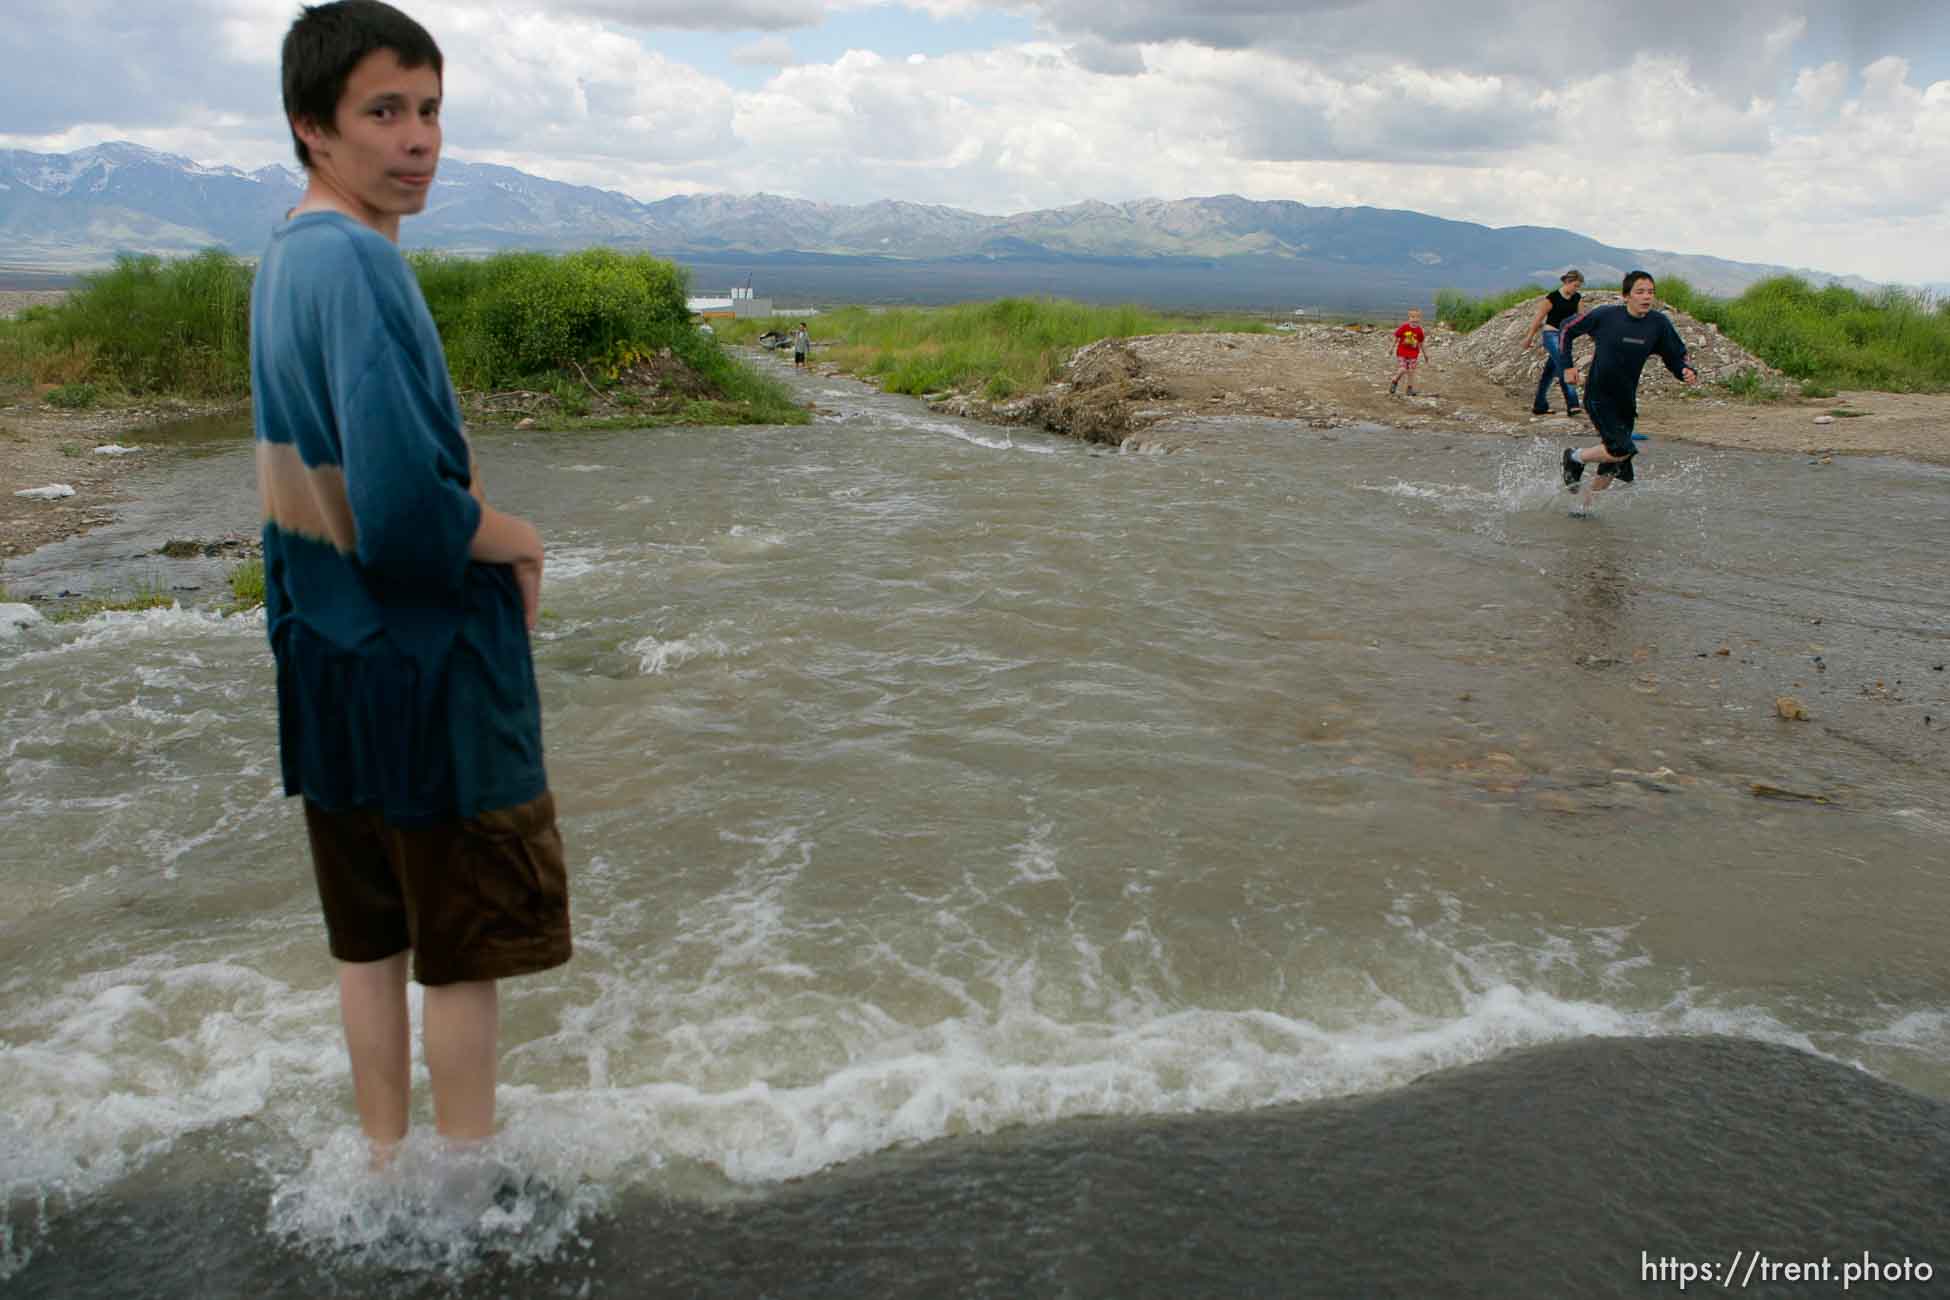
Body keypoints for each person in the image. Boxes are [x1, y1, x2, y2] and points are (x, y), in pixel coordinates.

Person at [253, 0, 571, 1168]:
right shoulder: (363, 267)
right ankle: (463, 1195)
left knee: (368, 941)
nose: (418, 139)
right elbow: (400, 515)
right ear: (313, 129)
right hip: (427, 662)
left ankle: (384, 1168)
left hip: (325, 658)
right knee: (466, 945)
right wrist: (516, 536)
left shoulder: (286, 254)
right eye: (383, 111)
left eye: (430, 110)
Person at [1558, 269, 1698, 511]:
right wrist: (1568, 367)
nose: (1646, 297)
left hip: (1626, 399)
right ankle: (1574, 457)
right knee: (1620, 449)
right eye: (1640, 292)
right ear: (1626, 296)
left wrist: (1684, 370)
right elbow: (1567, 330)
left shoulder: (1658, 324)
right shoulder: (1605, 316)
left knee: (1614, 462)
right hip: (1599, 395)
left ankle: (1583, 508)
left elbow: (1674, 355)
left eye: (1651, 292)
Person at [1522, 269, 1584, 416]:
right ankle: (1573, 404)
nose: (1576, 289)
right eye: (1575, 285)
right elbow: (1538, 319)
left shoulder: (1577, 298)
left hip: (1565, 337)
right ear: (1567, 282)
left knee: (1549, 373)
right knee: (1565, 365)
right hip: (1551, 334)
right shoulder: (1552, 298)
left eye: (1578, 286)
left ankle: (1540, 406)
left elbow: (1583, 318)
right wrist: (1529, 337)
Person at [1388, 308, 1426, 396]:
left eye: (1417, 317)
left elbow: (1421, 343)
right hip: (1402, 352)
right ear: (1409, 318)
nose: (1415, 319)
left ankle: (1409, 389)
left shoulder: (1419, 330)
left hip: (1413, 354)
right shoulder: (1404, 327)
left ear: (1420, 318)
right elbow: (1396, 337)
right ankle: (1394, 381)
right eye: (1412, 316)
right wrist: (1391, 348)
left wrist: (1425, 354)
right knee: (1403, 369)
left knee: (1411, 371)